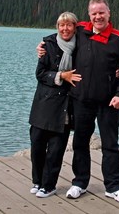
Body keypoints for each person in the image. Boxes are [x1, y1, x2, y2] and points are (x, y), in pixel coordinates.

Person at [38, 0, 119, 204]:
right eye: (94, 13)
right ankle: (80, 183)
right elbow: (59, 36)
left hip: (109, 102)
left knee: (110, 144)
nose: (98, 17)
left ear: (109, 13)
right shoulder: (81, 30)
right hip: (80, 100)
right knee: (80, 143)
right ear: (89, 15)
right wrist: (43, 45)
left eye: (101, 12)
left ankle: (114, 186)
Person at [29, 12, 82, 198]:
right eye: (61, 25)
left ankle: (49, 185)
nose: (65, 29)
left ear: (75, 27)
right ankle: (37, 181)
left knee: (56, 149)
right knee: (36, 145)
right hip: (43, 103)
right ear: (57, 26)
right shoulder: (47, 44)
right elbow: (40, 73)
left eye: (69, 25)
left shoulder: (82, 45)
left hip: (65, 105)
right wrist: (61, 76)